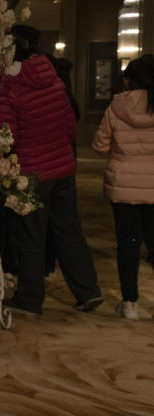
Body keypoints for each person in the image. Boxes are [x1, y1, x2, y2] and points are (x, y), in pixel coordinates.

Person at [0, 24, 102, 316]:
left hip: (31, 173)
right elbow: (69, 126)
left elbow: (5, 135)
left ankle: (30, 300)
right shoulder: (55, 81)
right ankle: (88, 291)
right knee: (69, 232)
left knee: (31, 236)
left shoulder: (10, 86)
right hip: (63, 169)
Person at [91, 58, 154, 320]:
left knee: (127, 245)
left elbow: (100, 146)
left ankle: (129, 303)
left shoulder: (116, 107)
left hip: (123, 185)